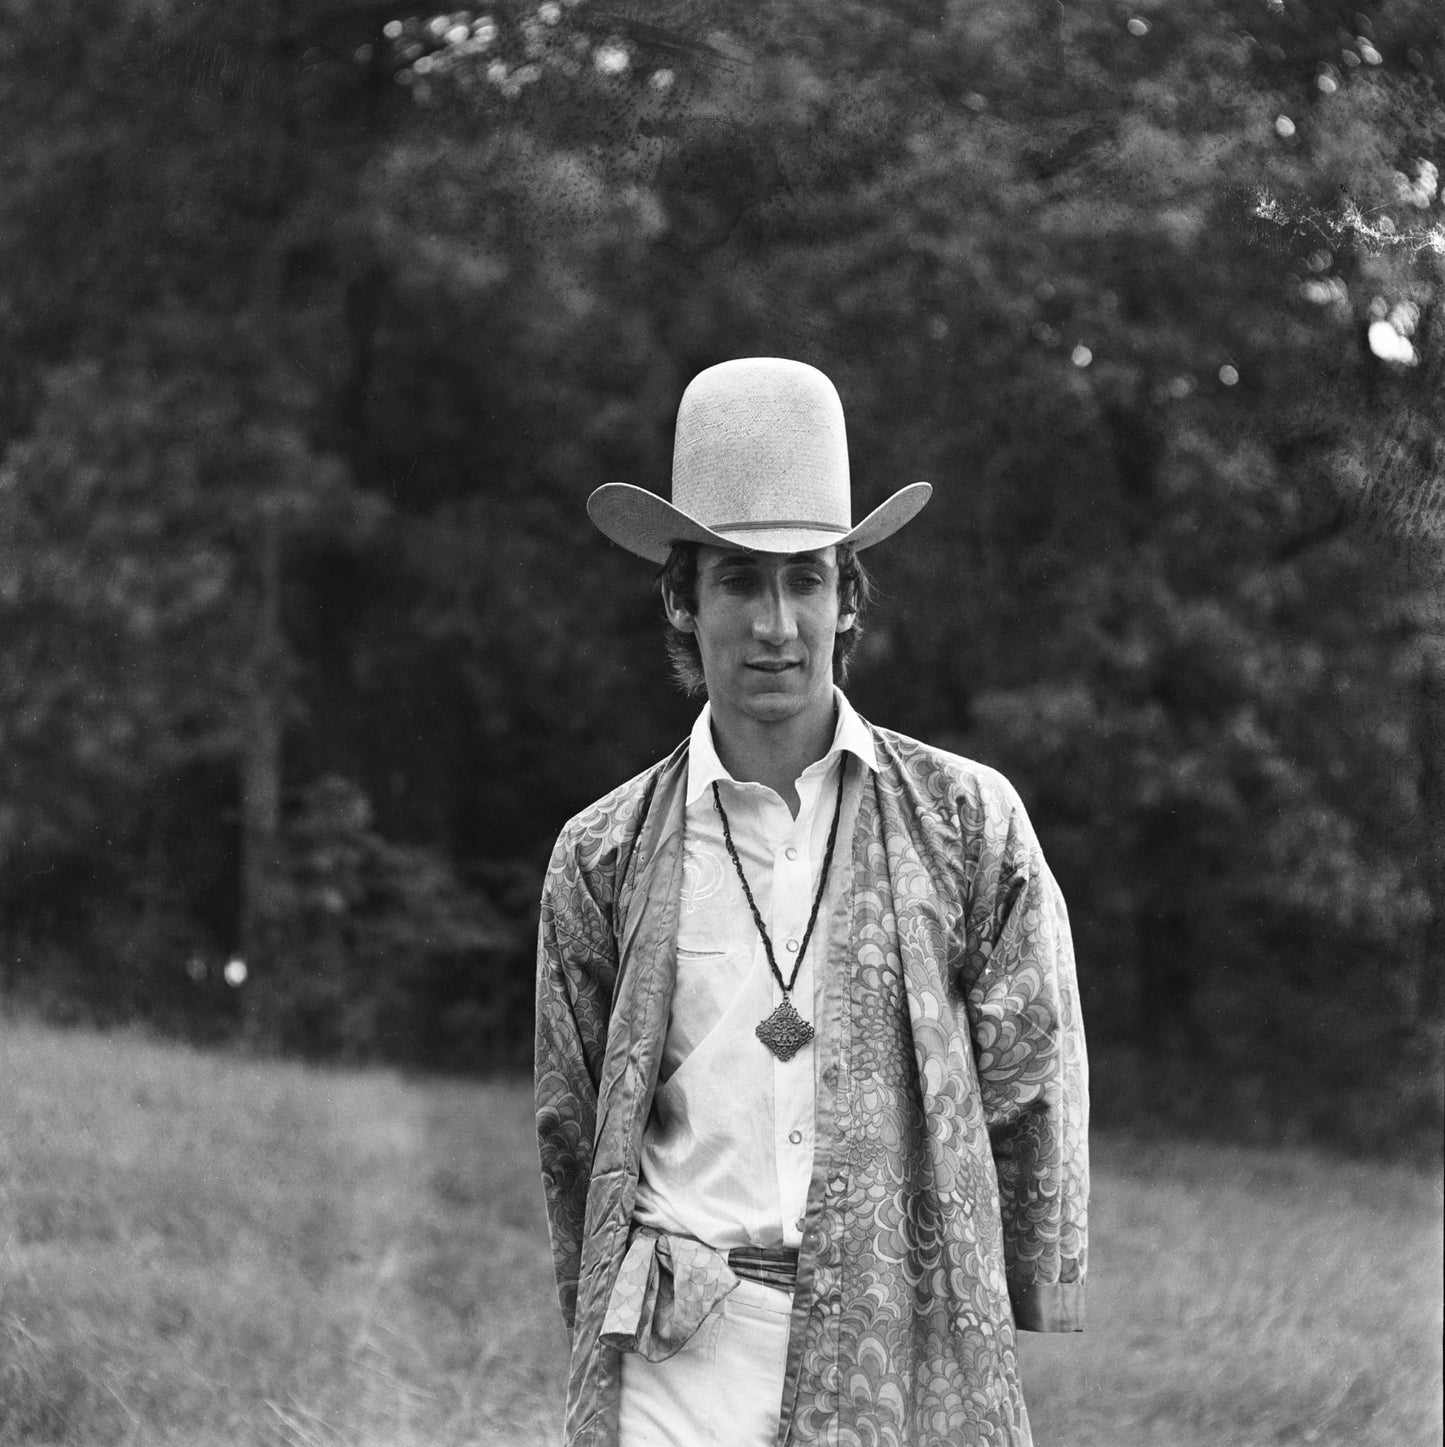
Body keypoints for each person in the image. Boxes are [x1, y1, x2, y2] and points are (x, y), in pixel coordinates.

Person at [535, 357, 1088, 1447]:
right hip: (673, 1356)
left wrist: (1017, 1289)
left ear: (848, 599)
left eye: (805, 580)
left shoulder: (964, 822)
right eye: (738, 580)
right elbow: (571, 1123)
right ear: (681, 600)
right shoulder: (601, 854)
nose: (774, 623)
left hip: (895, 1338)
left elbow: (1030, 1069)